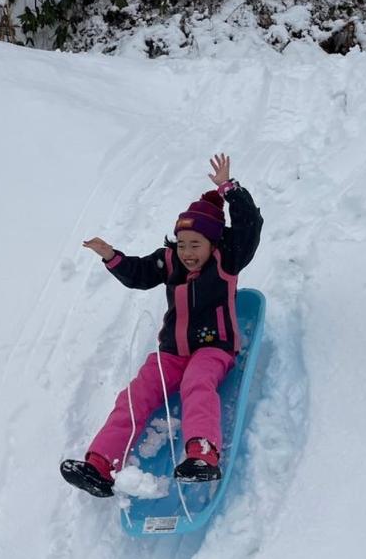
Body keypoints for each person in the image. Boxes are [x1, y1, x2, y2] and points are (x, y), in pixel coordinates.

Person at [60, 153, 264, 498]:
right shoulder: (170, 261)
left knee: (198, 386)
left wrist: (230, 189)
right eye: (183, 244)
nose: (187, 252)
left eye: (196, 245)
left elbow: (249, 226)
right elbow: (139, 273)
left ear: (214, 244)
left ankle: (202, 454)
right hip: (172, 352)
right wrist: (112, 256)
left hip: (214, 347)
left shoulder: (226, 260)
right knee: (135, 396)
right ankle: (100, 465)